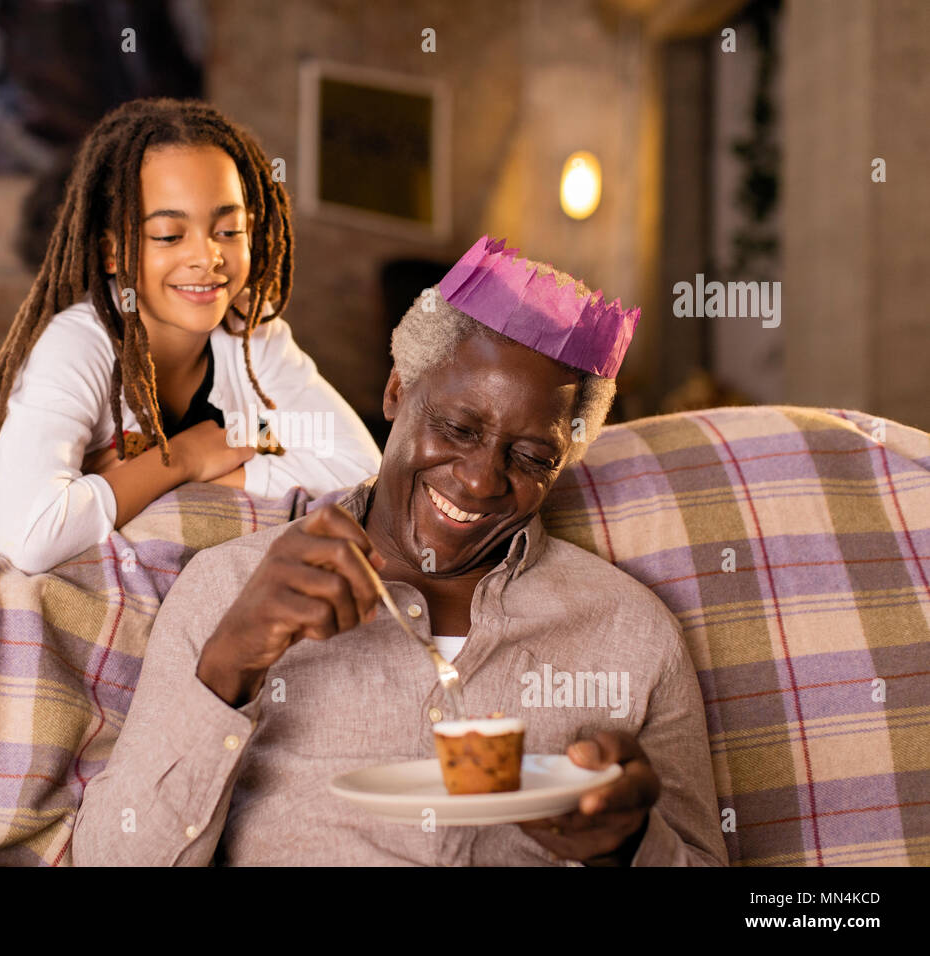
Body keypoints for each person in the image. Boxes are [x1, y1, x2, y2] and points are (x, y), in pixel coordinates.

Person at [71, 237, 728, 866]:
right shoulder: (228, 591)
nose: (479, 480)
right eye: (457, 427)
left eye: (531, 457)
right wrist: (225, 668)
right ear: (395, 393)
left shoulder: (632, 634)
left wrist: (629, 846)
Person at [0, 98, 382, 574]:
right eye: (169, 235)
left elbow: (359, 473)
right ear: (111, 252)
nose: (208, 257)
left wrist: (207, 466)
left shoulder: (250, 330)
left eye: (229, 230)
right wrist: (185, 458)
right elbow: (30, 535)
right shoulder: (76, 345)